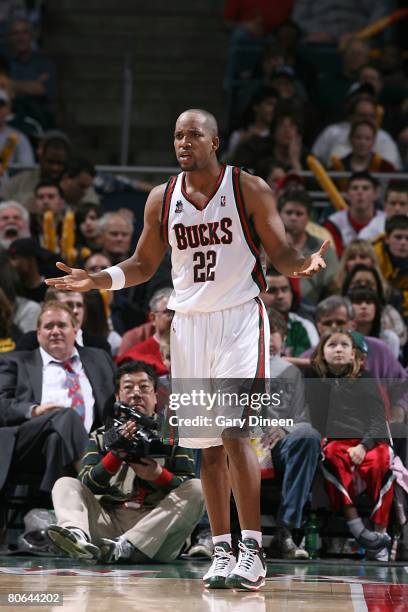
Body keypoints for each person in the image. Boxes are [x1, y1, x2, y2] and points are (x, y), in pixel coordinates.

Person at [45, 108, 328, 591]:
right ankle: (222, 550)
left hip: (240, 319)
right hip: (189, 325)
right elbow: (142, 263)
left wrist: (301, 264)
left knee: (237, 432)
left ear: (214, 142)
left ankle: (253, 550)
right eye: (177, 135)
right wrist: (97, 281)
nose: (183, 142)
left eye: (193, 135)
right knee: (208, 447)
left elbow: (278, 251)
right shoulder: (162, 197)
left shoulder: (247, 188)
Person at [48, 360, 204, 563]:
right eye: (128, 387)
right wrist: (114, 456)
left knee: (198, 488)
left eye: (144, 387)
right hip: (108, 527)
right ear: (117, 397)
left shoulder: (174, 434)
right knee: (65, 483)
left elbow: (187, 489)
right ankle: (76, 535)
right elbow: (86, 484)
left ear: (156, 397)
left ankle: (129, 544)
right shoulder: (101, 436)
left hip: (156, 531)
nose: (136, 393)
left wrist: (159, 476)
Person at [0, 300, 115, 495]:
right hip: (28, 440)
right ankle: (95, 485)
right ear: (38, 333)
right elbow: (2, 405)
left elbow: (114, 403)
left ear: (75, 328)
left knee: (56, 440)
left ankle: (53, 509)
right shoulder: (15, 362)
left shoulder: (99, 358)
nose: (55, 331)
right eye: (48, 326)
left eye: (61, 325)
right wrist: (34, 410)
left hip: (84, 441)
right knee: (67, 416)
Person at [304, 329, 393, 561]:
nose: (339, 349)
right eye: (332, 345)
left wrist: (363, 446)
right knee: (330, 456)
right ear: (322, 353)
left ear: (354, 354)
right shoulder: (316, 380)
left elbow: (378, 420)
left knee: (383, 461)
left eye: (345, 345)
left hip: (369, 441)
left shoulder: (365, 378)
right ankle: (358, 529)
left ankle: (379, 534)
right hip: (337, 443)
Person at [261, 308, 321, 559]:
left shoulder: (290, 371)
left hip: (277, 446)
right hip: (240, 440)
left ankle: (285, 531)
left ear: (284, 339)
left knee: (307, 435)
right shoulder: (235, 364)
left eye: (277, 333)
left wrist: (284, 427)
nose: (272, 337)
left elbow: (302, 418)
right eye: (265, 331)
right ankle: (208, 532)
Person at [278, 190, 338, 305]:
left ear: (308, 218)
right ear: (279, 215)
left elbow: (333, 287)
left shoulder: (323, 249)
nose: (293, 218)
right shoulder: (268, 246)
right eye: (289, 212)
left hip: (314, 310)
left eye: (299, 214)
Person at [324, 171, 385, 257]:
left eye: (365, 188)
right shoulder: (334, 223)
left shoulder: (386, 222)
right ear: (347, 194)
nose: (360, 192)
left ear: (375, 194)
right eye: (355, 188)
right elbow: (334, 258)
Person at [260, 270, 319, 357]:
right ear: (258, 295)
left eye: (284, 289)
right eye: (272, 291)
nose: (280, 296)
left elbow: (314, 361)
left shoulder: (303, 325)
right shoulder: (250, 324)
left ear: (292, 294)